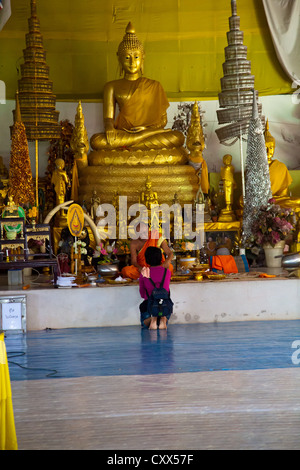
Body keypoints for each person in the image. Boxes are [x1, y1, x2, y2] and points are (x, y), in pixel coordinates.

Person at [90, 22, 184, 151]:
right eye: (127, 57)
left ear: (143, 57)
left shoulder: (154, 85)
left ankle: (133, 144)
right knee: (96, 141)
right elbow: (108, 118)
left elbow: (163, 121)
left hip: (147, 135)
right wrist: (109, 128)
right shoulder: (111, 86)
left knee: (177, 137)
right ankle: (135, 142)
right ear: (119, 58)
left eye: (136, 57)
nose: (132, 62)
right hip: (124, 134)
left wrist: (146, 130)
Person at [139, 246, 172, 330]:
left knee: (143, 320)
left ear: (146, 259)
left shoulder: (144, 272)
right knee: (164, 305)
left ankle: (153, 318)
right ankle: (162, 318)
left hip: (150, 307)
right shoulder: (167, 272)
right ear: (161, 258)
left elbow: (142, 294)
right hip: (164, 306)